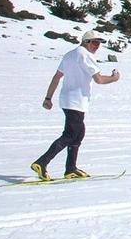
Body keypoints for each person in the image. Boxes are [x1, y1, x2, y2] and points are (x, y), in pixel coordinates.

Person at [31, 29, 120, 180]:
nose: (97, 46)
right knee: (70, 135)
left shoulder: (70, 54)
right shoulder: (85, 55)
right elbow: (99, 80)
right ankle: (42, 162)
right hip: (76, 101)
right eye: (94, 42)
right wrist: (114, 78)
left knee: (78, 133)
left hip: (68, 100)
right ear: (86, 42)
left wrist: (48, 98)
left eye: (99, 43)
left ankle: (71, 168)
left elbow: (57, 77)